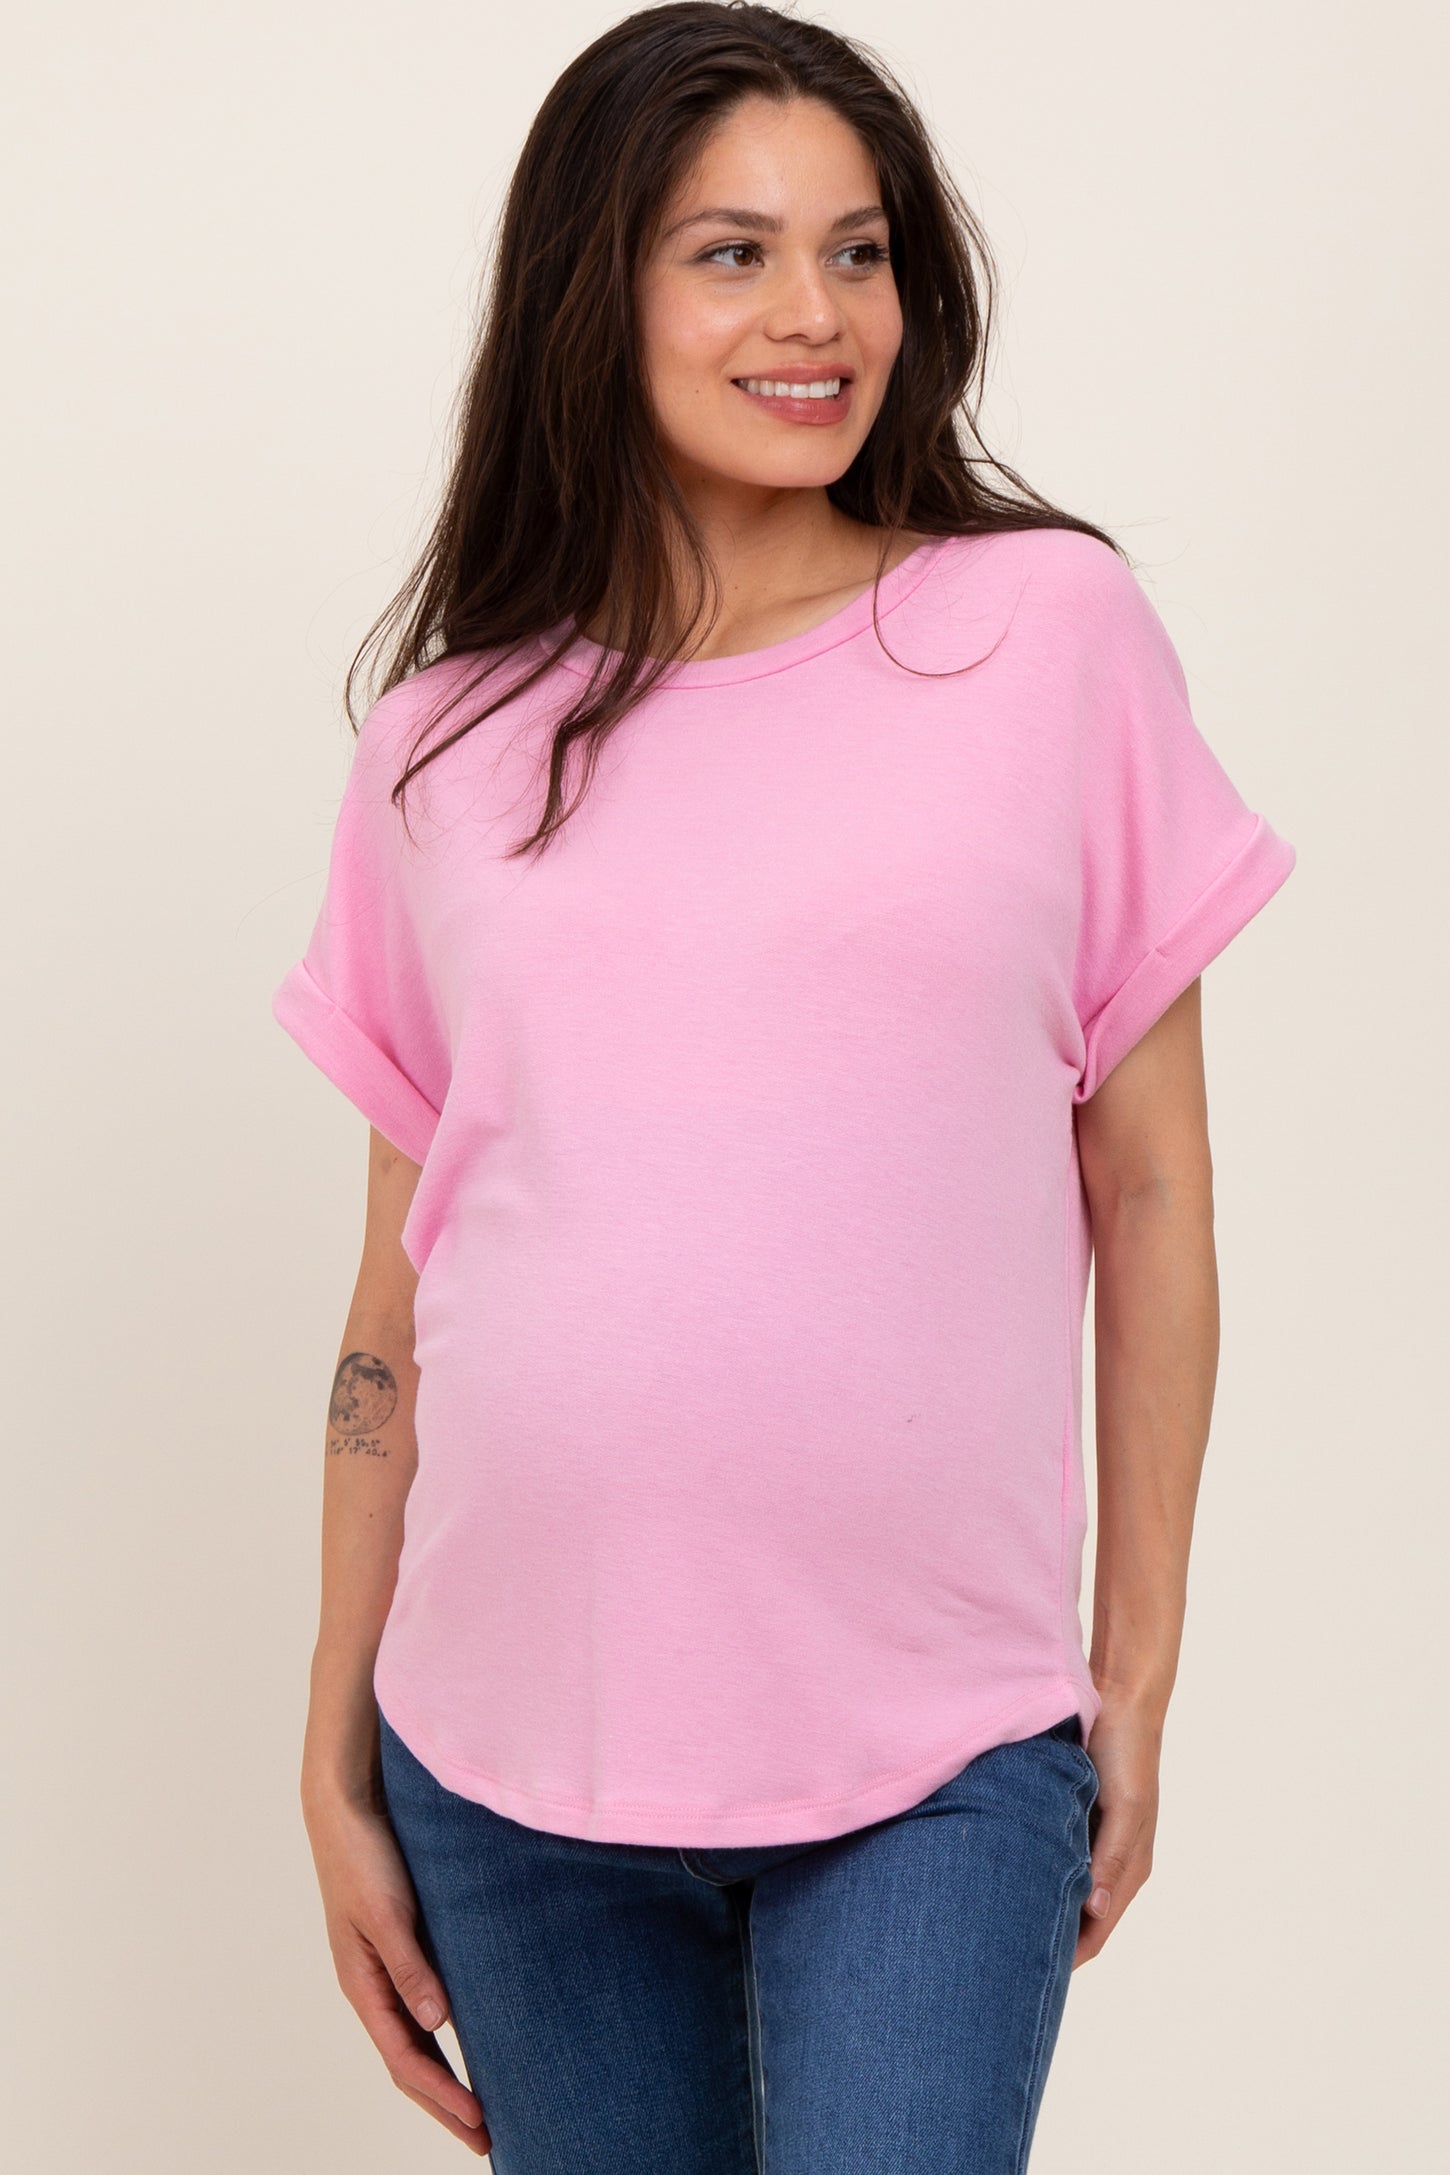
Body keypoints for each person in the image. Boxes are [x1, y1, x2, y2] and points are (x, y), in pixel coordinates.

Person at [271, 6, 1296, 2169]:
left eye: (858, 251)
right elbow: (400, 1284)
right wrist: (330, 1743)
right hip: (501, 1752)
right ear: (595, 291)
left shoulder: (1045, 635)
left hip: (935, 1743)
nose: (814, 315)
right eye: (729, 253)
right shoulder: (447, 741)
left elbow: (1149, 1193)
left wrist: (1132, 1673)